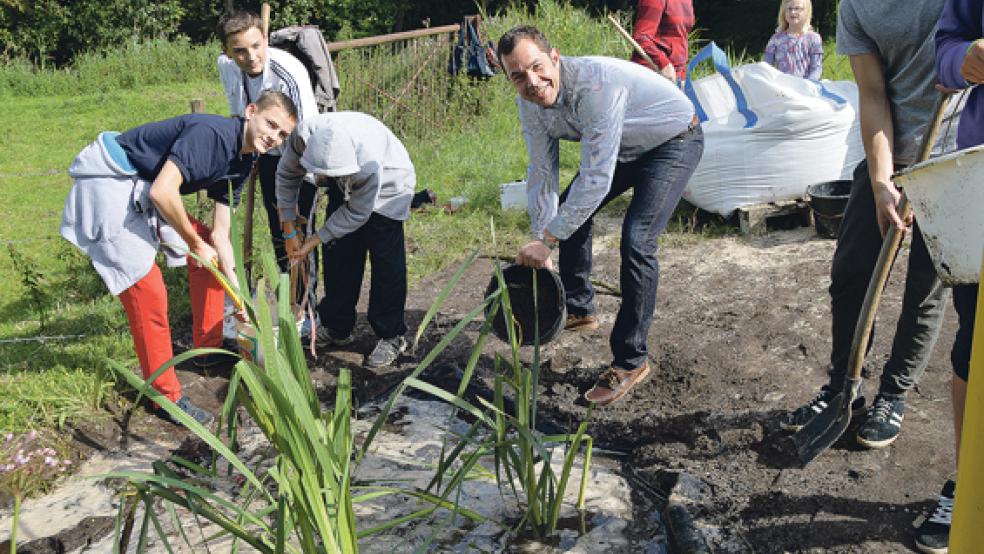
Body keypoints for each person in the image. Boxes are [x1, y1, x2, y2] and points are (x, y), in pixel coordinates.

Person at [59, 91, 298, 425]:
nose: (273, 137)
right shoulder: (212, 137)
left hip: (145, 185)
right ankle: (164, 398)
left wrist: (237, 294)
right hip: (112, 180)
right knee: (148, 291)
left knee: (209, 257)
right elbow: (162, 192)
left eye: (282, 134)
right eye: (271, 124)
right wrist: (192, 242)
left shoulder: (245, 159)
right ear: (251, 111)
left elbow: (220, 234)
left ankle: (208, 348)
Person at [496, 25, 704, 406]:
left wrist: (547, 240)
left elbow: (596, 177)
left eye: (537, 67)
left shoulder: (594, 86)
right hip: (624, 145)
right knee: (568, 214)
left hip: (673, 140)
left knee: (637, 240)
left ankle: (631, 360)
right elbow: (542, 170)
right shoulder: (529, 103)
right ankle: (578, 307)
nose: (532, 81)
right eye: (518, 76)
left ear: (555, 57)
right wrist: (543, 236)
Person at [780, 1, 949, 452]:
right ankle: (843, 389)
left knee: (926, 287)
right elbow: (872, 93)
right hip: (892, 151)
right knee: (851, 273)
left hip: (954, 154)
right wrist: (880, 181)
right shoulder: (857, 5)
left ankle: (893, 394)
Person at [912, 2, 983, 550]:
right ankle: (970, 483)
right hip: (981, 176)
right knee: (976, 340)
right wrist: (966, 58)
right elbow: (945, 49)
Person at [276, 112, 415, 368]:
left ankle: (391, 333)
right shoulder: (303, 137)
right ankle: (337, 325)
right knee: (339, 253)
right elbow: (286, 176)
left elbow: (358, 213)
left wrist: (313, 240)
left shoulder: (369, 163)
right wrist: (289, 228)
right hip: (346, 181)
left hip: (389, 180)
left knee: (386, 258)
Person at [216, 9, 319, 328]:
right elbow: (240, 117)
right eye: (241, 51)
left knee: (297, 232)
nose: (250, 57)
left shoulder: (288, 72)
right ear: (227, 52)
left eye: (256, 46)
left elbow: (305, 132)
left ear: (265, 40)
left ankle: (306, 309)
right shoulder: (227, 68)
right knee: (278, 233)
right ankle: (285, 300)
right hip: (265, 154)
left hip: (300, 160)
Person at [629, 0, 695, 83]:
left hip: (675, 76)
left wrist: (682, 74)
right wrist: (664, 64)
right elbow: (641, 36)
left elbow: (681, 39)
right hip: (649, 73)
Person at [763, 0, 823, 80]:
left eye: (797, 8)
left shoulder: (813, 38)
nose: (793, 12)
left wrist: (808, 84)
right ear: (784, 12)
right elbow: (766, 66)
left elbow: (816, 68)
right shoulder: (776, 39)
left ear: (807, 12)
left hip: (806, 86)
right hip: (782, 86)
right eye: (789, 9)